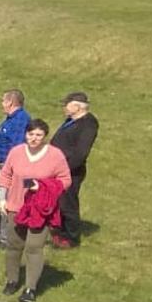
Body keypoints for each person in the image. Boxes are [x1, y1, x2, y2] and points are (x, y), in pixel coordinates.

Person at [0, 120, 72, 302]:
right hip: (15, 206)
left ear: (44, 136)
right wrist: (2, 198)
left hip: (41, 210)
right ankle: (12, 280)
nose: (34, 138)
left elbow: (65, 180)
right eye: (31, 134)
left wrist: (43, 187)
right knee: (14, 245)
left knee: (34, 247)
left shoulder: (55, 155)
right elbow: (5, 175)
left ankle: (30, 288)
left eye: (38, 135)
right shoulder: (16, 152)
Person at [49, 92, 99, 248]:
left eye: (67, 104)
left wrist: (64, 169)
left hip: (71, 170)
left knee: (68, 202)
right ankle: (61, 231)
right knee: (59, 201)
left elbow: (81, 152)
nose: (64, 107)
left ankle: (71, 237)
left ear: (77, 106)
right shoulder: (71, 120)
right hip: (58, 168)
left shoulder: (88, 124)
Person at [0, 90, 31, 209]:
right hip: (2, 165)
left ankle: (5, 227)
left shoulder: (19, 120)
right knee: (1, 199)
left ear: (10, 102)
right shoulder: (11, 119)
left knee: (5, 200)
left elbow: (17, 146)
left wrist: (8, 168)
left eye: (3, 101)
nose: (2, 104)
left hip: (6, 167)